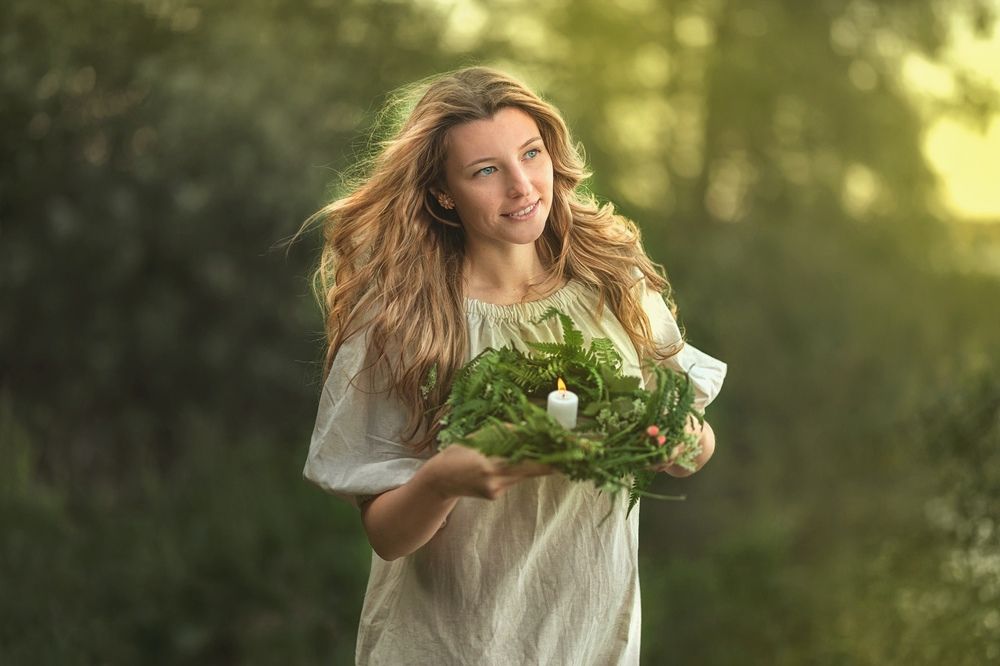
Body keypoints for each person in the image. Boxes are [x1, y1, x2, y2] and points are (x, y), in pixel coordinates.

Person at [301, 66, 727, 665]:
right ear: (443, 192)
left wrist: (678, 437)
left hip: (591, 639)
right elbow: (388, 536)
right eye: (486, 171)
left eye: (531, 154)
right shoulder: (405, 319)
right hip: (450, 645)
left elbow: (692, 449)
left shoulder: (610, 277)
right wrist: (444, 478)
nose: (523, 185)